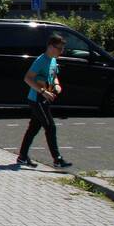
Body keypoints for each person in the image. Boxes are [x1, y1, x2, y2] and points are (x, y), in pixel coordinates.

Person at [17, 33, 73, 169]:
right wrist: (43, 91)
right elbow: (27, 78)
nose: (61, 51)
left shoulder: (53, 60)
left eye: (62, 49)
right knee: (50, 127)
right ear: (50, 47)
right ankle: (57, 159)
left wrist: (57, 84)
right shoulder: (41, 60)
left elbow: (53, 76)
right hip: (37, 99)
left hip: (44, 99)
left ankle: (22, 157)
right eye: (59, 48)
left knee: (33, 128)